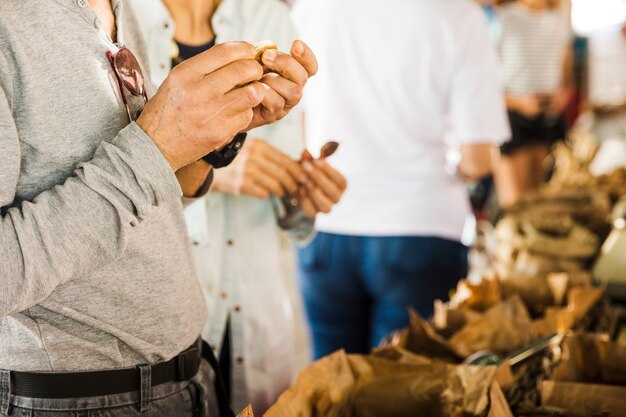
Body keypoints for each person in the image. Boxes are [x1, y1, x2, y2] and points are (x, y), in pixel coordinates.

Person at [0, 0, 318, 416]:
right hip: (71, 400)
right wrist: (154, 146)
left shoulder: (118, 6)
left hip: (187, 381)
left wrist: (219, 132)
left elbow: (152, 200)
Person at [127, 0, 346, 413]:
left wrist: (302, 195)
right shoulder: (120, 19)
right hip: (161, 322)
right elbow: (106, 188)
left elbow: (285, 181)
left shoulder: (270, 19)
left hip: (258, 302)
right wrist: (218, 165)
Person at [292, 0, 510, 359]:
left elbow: (296, 124)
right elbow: (476, 159)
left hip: (327, 221)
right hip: (422, 224)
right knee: (403, 389)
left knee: (329, 390)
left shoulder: (315, 7)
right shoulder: (458, 14)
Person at [493, 0, 573, 208]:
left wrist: (561, 96)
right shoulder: (504, 18)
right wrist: (519, 103)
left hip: (548, 117)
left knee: (543, 205)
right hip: (513, 116)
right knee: (515, 207)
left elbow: (565, 73)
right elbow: (485, 82)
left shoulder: (558, 19)